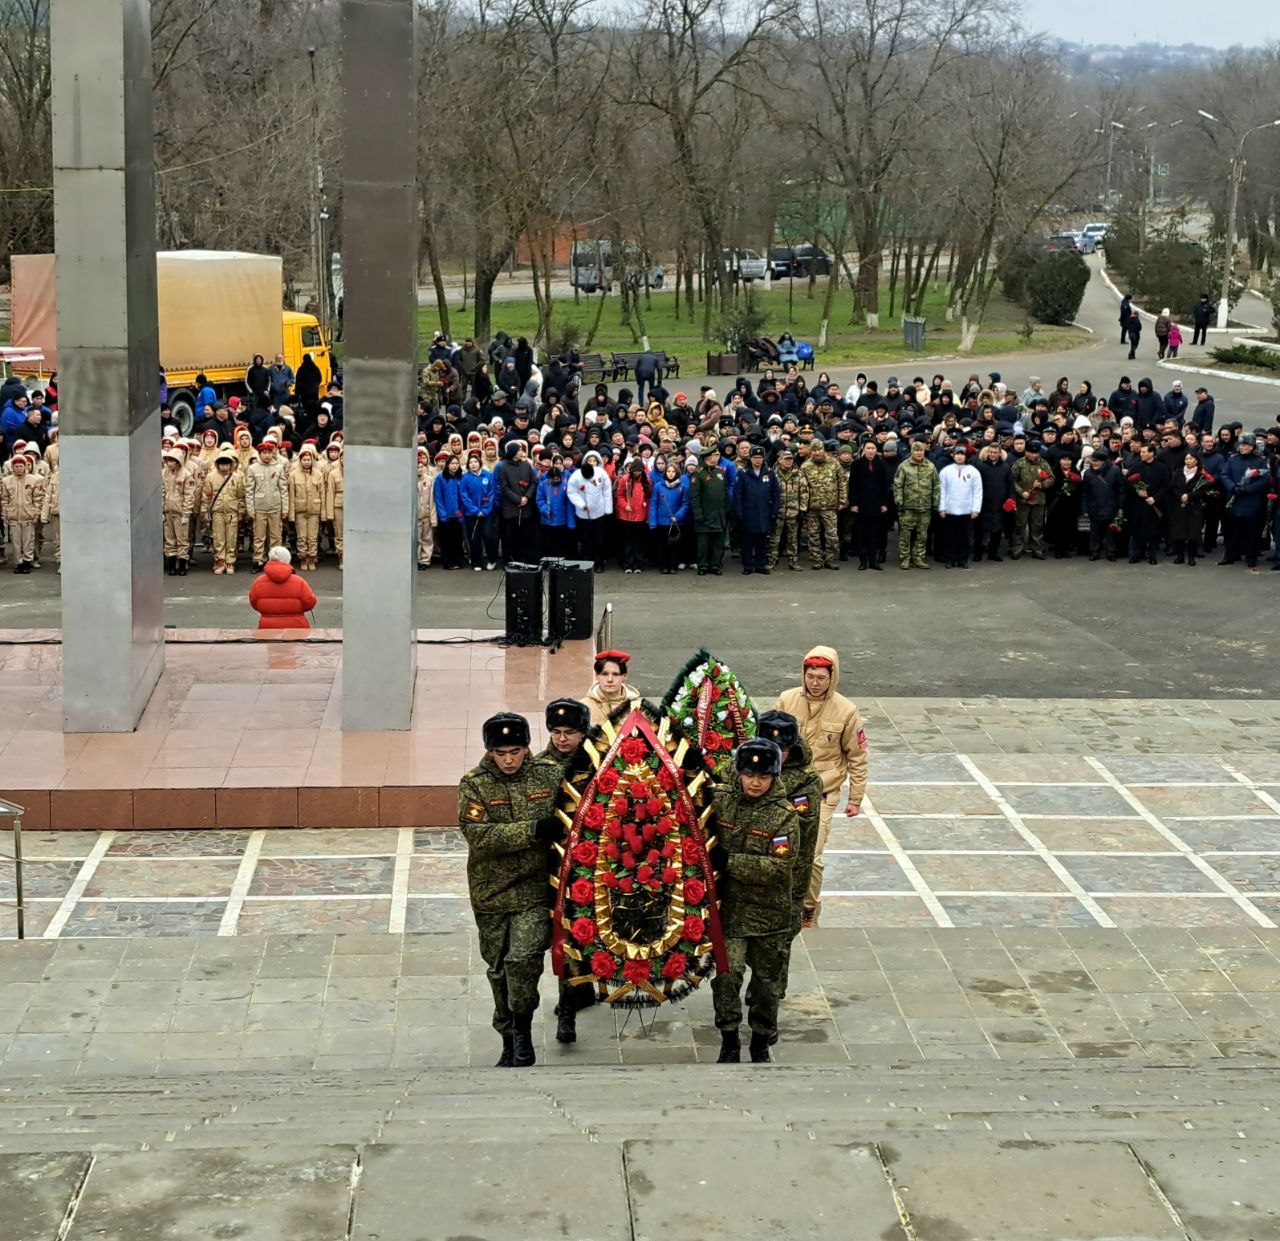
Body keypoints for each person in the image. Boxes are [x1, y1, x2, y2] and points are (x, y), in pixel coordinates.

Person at [458, 712, 563, 1068]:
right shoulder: (473, 784)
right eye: (500, 752)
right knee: (499, 969)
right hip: (492, 893)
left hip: (534, 890)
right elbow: (480, 836)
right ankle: (507, 1034)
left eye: (515, 751)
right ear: (489, 751)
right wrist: (533, 830)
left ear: (526, 748)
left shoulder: (549, 776)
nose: (508, 759)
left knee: (522, 961)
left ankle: (522, 1030)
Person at [709, 737, 802, 1064]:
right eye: (749, 774)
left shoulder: (784, 815)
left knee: (767, 986)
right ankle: (729, 1037)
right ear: (739, 773)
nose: (756, 782)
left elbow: (779, 866)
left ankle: (761, 1040)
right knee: (726, 976)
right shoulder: (722, 800)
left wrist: (730, 861)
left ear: (774, 777)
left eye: (763, 776)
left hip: (769, 918)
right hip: (731, 914)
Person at [776, 647, 868, 928]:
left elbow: (857, 756)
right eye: (810, 676)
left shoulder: (847, 710)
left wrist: (855, 797)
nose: (815, 683)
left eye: (821, 678)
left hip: (822, 793)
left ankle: (808, 907)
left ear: (833, 678)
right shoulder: (787, 700)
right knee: (781, 852)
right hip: (786, 790)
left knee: (812, 855)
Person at [536, 698, 598, 1045]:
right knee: (563, 939)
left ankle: (577, 998)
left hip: (587, 868)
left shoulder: (596, 766)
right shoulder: (539, 768)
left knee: (582, 935)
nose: (562, 739)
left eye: (570, 733)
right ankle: (570, 1003)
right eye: (557, 732)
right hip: (551, 866)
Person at [753, 710, 822, 1024]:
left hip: (788, 877)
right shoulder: (745, 768)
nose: (777, 754)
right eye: (771, 747)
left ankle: (769, 1003)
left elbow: (798, 828)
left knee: (779, 946)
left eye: (782, 749)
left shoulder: (806, 780)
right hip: (750, 878)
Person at [1219, 432, 1269, 572]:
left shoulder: (1260, 461)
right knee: (1231, 530)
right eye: (1241, 445)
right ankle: (1230, 555)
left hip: (1250, 501)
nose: (1242, 447)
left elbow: (1263, 480)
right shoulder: (1232, 459)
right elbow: (1224, 474)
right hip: (1234, 500)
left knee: (1251, 532)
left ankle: (1251, 557)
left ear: (1253, 447)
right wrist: (1232, 487)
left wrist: (1247, 489)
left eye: (1246, 445)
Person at [733, 444, 780, 575]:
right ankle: (748, 566)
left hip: (764, 512)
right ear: (750, 458)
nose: (757, 460)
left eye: (760, 457)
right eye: (755, 457)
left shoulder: (769, 473)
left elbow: (776, 493)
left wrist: (774, 510)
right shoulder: (743, 473)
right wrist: (739, 512)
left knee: (762, 542)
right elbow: (738, 494)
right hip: (748, 513)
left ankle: (760, 565)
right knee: (747, 542)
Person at [892, 438, 939, 570]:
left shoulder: (930, 466)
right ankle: (905, 558)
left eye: (921, 450)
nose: (919, 453)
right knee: (905, 535)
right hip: (908, 508)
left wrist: (935, 502)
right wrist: (899, 502)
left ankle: (918, 558)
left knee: (922, 535)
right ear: (912, 451)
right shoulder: (904, 466)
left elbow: (936, 485)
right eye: (916, 450)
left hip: (925, 508)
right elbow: (898, 485)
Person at [798, 439, 845, 570]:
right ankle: (817, 559)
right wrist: (803, 506)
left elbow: (842, 481)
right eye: (814, 450)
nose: (817, 452)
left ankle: (830, 559)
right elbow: (802, 488)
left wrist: (842, 500)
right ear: (811, 451)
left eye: (819, 449)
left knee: (832, 535)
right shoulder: (805, 466)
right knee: (813, 534)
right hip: (812, 507)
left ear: (824, 450)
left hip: (830, 506)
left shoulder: (834, 463)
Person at [248, 546, 317, 629]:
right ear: (288, 560)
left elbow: (254, 603)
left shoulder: (258, 582)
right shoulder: (299, 581)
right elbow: (310, 602)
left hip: (267, 628)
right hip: (297, 627)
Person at [244, 439, 288, 571]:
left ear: (273, 453)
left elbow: (283, 490)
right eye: (264, 452)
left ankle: (275, 561)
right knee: (259, 537)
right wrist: (251, 509)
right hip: (259, 509)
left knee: (275, 537)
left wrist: (284, 508)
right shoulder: (253, 468)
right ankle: (258, 560)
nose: (267, 455)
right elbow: (249, 491)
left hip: (275, 507)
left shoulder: (278, 468)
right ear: (260, 454)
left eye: (269, 452)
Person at [937, 443, 982, 568]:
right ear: (953, 455)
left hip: (966, 510)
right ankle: (950, 559)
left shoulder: (973, 472)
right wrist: (942, 508)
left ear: (966, 456)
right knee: (950, 536)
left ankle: (963, 559)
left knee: (965, 536)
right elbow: (942, 490)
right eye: (957, 454)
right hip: (950, 510)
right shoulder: (946, 471)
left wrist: (975, 509)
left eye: (962, 454)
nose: (960, 457)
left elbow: (977, 491)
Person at [848, 439, 890, 570]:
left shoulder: (882, 465)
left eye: (873, 448)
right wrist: (854, 503)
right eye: (868, 448)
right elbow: (853, 485)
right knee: (862, 534)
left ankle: (873, 561)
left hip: (877, 504)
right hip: (861, 504)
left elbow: (885, 485)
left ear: (876, 450)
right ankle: (863, 561)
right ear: (863, 449)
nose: (871, 451)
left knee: (874, 534)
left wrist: (884, 503)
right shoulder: (856, 464)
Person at [689, 442, 729, 576]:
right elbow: (694, 497)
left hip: (719, 515)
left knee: (718, 543)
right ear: (709, 457)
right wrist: (698, 515)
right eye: (716, 455)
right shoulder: (698, 473)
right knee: (703, 544)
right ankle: (703, 566)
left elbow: (723, 493)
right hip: (705, 516)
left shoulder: (719, 471)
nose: (718, 457)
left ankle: (715, 565)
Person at [203, 446, 245, 574]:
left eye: (227, 464)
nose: (224, 467)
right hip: (217, 512)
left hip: (232, 511)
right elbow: (206, 496)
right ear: (217, 465)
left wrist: (241, 511)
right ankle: (220, 560)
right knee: (218, 537)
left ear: (231, 465)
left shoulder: (237, 477)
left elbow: (241, 496)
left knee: (231, 538)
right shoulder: (210, 477)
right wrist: (205, 511)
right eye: (222, 464)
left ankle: (230, 561)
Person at [0, 452, 44, 574]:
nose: (19, 468)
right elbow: (4, 499)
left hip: (28, 515)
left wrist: (36, 513)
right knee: (16, 542)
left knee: (28, 540)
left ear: (25, 466)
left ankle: (27, 561)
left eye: (21, 466)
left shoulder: (33, 480)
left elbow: (38, 499)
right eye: (16, 466)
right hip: (13, 515)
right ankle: (18, 563)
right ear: (13, 467)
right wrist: (5, 514)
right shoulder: (6, 481)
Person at [1170, 451, 1213, 566]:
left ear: (1196, 461)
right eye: (1186, 459)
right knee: (1179, 533)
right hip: (1179, 506)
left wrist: (1190, 496)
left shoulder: (1201, 475)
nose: (1188, 461)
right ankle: (1180, 556)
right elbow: (1173, 488)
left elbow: (1203, 491)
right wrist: (1181, 496)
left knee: (1193, 534)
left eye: (1191, 459)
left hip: (1194, 507)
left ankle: (1191, 556)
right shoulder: (1178, 472)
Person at [286, 442, 325, 571]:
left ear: (312, 460)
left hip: (314, 510)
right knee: (302, 537)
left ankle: (312, 558)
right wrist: (291, 514)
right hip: (300, 510)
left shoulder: (319, 474)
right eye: (304, 460)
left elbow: (322, 494)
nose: (307, 462)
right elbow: (291, 495)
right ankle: (303, 558)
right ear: (300, 460)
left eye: (309, 459)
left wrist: (323, 513)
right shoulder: (293, 475)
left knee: (313, 537)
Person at [580, 648, 640, 729]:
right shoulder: (582, 707)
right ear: (596, 676)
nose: (610, 679)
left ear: (624, 676)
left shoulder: (638, 707)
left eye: (615, 674)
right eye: (604, 674)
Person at [767, 446, 805, 572]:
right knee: (774, 539)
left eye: (790, 459)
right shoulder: (772, 474)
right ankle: (771, 561)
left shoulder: (798, 474)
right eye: (786, 459)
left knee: (792, 540)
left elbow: (804, 492)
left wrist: (802, 509)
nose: (789, 461)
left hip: (793, 512)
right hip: (778, 512)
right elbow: (768, 493)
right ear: (780, 460)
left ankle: (793, 562)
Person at [1010, 440, 1050, 560]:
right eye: (1031, 452)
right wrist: (1022, 492)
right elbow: (1012, 481)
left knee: (1037, 525)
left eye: (1036, 452)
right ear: (1026, 452)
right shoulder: (1019, 464)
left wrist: (1042, 485)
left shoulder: (1043, 464)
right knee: (1020, 525)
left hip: (1038, 500)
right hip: (1023, 500)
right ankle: (1017, 548)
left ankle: (1037, 549)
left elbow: (1051, 478)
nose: (1034, 455)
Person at [1082, 449, 1123, 561]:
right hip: (1094, 507)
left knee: (1110, 532)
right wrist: (1085, 508)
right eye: (1092, 461)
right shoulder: (1088, 473)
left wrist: (1120, 507)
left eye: (1096, 461)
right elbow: (1085, 492)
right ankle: (1094, 551)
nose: (1093, 463)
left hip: (1111, 506)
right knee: (1094, 533)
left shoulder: (1115, 471)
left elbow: (1121, 491)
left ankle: (1111, 552)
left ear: (1103, 461)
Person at [161, 447, 196, 576]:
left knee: (182, 540)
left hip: (180, 513)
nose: (170, 463)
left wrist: (186, 513)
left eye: (172, 460)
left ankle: (182, 565)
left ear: (178, 461)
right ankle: (171, 565)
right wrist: (161, 509)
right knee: (169, 539)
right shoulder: (164, 473)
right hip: (168, 512)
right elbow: (162, 492)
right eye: (168, 460)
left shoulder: (186, 474)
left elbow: (189, 495)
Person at [614, 457, 652, 573]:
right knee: (628, 541)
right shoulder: (624, 479)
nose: (637, 473)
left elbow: (648, 496)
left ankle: (638, 564)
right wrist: (625, 505)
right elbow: (619, 495)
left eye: (639, 471)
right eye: (635, 471)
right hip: (627, 516)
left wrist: (646, 505)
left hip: (640, 515)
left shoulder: (646, 480)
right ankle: (628, 564)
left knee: (639, 541)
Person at [433, 454, 466, 569]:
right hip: (446, 515)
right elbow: (438, 497)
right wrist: (443, 514)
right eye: (452, 464)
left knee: (457, 540)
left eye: (456, 464)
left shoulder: (461, 477)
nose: (454, 466)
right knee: (446, 540)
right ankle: (448, 563)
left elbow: (463, 497)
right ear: (447, 465)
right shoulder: (440, 478)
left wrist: (461, 513)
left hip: (458, 514)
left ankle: (458, 562)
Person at [322, 442, 344, 569]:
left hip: (353, 508)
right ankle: (341, 557)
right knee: (339, 534)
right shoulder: (333, 473)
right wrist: (329, 513)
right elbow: (329, 493)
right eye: (343, 457)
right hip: (338, 507)